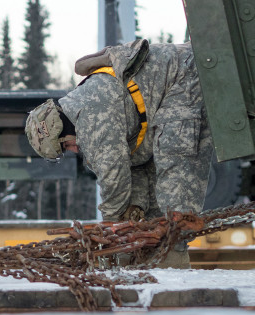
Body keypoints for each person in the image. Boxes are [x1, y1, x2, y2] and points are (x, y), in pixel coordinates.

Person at [25, 39, 214, 268]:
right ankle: (151, 265)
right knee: (146, 208)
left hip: (185, 75)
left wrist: (108, 234)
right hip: (170, 91)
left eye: (66, 146)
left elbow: (115, 180)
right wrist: (133, 217)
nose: (74, 150)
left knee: (175, 181)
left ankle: (173, 269)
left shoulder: (90, 115)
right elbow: (135, 169)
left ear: (62, 131)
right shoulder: (85, 110)